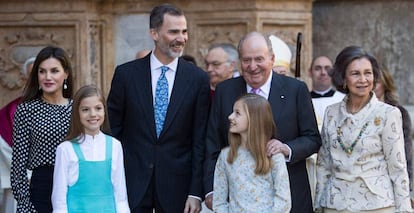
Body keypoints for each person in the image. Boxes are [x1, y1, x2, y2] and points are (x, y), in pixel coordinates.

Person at [107, 3, 210, 213]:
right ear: (154, 33)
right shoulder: (126, 75)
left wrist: (195, 192)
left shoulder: (198, 79)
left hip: (178, 189)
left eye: (184, 31)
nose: (181, 38)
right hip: (131, 184)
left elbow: (200, 140)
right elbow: (112, 131)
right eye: (173, 31)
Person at [204, 31, 321, 213]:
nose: (252, 66)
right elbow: (212, 144)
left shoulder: (295, 90)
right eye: (246, 60)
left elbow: (313, 139)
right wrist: (212, 190)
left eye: (259, 59)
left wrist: (286, 148)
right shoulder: (224, 91)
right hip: (238, 201)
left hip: (290, 197)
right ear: (239, 61)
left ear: (272, 59)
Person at [315, 46, 412, 212]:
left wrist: (404, 209)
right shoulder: (331, 113)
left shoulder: (388, 114)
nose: (363, 79)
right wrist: (318, 204)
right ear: (343, 79)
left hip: (377, 205)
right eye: (355, 74)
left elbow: (397, 167)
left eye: (368, 73)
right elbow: (324, 163)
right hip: (335, 204)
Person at [11, 46, 74, 212]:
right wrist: (25, 205)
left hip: (75, 188)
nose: (48, 77)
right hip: (41, 189)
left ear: (65, 73)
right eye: (42, 71)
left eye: (54, 71)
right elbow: (18, 165)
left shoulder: (77, 109)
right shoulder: (26, 110)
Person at [52, 85, 130, 213]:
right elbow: (59, 200)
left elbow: (120, 195)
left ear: (104, 111)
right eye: (85, 109)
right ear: (77, 113)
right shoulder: (65, 149)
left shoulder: (115, 146)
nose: (93, 114)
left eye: (98, 108)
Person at [213, 94, 291, 212]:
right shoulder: (226, 155)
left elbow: (283, 200)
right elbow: (219, 201)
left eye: (237, 113)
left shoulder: (274, 156)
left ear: (254, 119)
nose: (230, 116)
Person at [0, 56, 35, 213]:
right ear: (25, 78)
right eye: (31, 74)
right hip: (20, 181)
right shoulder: (11, 111)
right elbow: (3, 142)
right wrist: (27, 174)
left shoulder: (62, 108)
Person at [374, 66, 412, 190]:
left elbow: (406, 151)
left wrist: (408, 183)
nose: (373, 85)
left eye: (377, 81)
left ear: (385, 84)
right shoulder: (357, 112)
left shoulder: (399, 112)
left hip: (391, 179)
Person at [309, 55, 345, 126]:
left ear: (333, 72)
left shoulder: (343, 99)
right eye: (317, 68)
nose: (323, 73)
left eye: (327, 68)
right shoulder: (302, 100)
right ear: (310, 72)